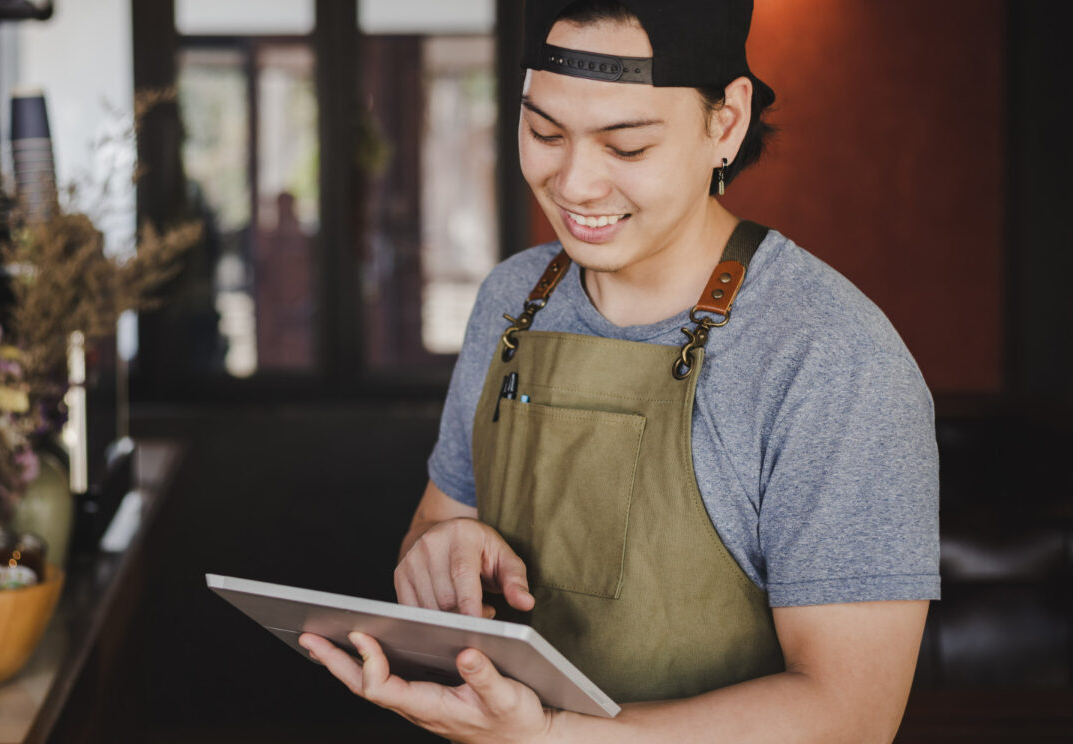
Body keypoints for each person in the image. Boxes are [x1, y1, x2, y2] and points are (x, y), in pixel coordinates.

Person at [300, 1, 939, 741]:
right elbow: (440, 520)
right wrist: (436, 554)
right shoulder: (513, 300)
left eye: (626, 147)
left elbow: (851, 716)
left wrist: (549, 736)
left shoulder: (829, 356)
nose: (574, 184)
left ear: (725, 122)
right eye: (543, 132)